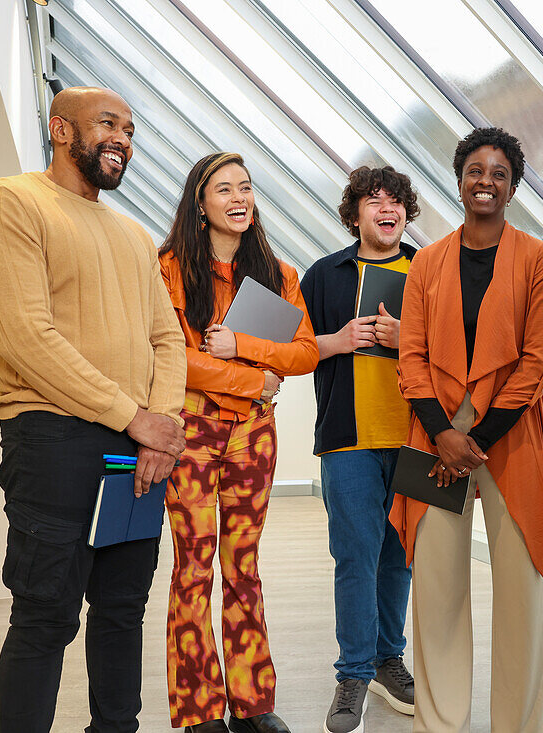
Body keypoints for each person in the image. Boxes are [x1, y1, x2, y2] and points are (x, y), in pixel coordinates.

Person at [0, 86, 187, 733]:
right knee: (45, 615)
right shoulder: (11, 202)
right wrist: (135, 416)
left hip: (137, 448)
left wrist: (159, 428)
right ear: (61, 130)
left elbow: (166, 338)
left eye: (130, 129)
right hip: (52, 439)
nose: (123, 138)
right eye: (107, 123)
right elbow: (26, 338)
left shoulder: (134, 235)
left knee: (122, 608)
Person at [391, 128, 543, 733]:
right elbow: (410, 356)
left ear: (512, 186)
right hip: (433, 434)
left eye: (498, 172)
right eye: (474, 170)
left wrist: (480, 437)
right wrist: (443, 433)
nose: (484, 180)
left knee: (520, 583)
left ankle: (518, 725)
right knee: (435, 584)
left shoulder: (538, 258)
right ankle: (439, 721)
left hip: (509, 434)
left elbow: (538, 359)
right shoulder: (427, 262)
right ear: (459, 179)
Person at [158, 152, 319, 733]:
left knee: (242, 567)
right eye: (223, 189)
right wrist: (256, 379)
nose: (238, 198)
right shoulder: (169, 268)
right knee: (193, 568)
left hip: (253, 437)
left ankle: (253, 702)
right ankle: (199, 709)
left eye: (245, 187)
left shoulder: (276, 274)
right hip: (192, 433)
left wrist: (246, 349)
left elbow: (303, 353)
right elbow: (176, 362)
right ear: (199, 204)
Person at [300, 166, 420, 733]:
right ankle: (352, 672)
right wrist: (336, 341)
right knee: (355, 555)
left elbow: (462, 349)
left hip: (422, 439)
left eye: (395, 201)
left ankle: (386, 660)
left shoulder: (432, 270)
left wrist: (408, 341)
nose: (387, 209)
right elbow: (290, 351)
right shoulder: (323, 276)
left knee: (402, 557)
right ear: (355, 215)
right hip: (348, 440)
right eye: (374, 201)